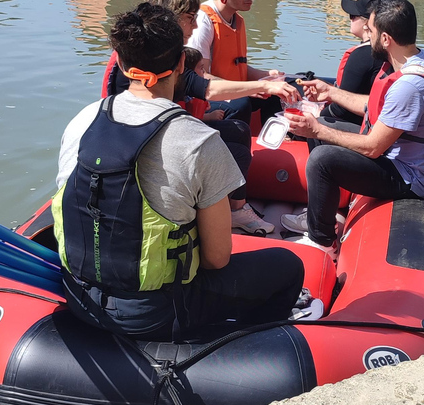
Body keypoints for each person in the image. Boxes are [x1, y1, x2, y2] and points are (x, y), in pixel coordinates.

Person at [53, 3, 304, 338]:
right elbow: (216, 259)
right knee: (288, 267)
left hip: (79, 296)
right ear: (183, 63)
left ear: (122, 63)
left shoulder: (82, 120)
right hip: (153, 313)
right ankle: (241, 343)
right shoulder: (199, 141)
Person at [280, 0, 424, 259]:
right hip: (397, 159)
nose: (368, 33)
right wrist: (330, 92)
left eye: (372, 30)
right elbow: (374, 105)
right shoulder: (415, 60)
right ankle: (326, 213)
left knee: (322, 159)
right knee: (326, 129)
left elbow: (374, 147)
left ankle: (323, 244)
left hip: (409, 178)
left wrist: (316, 130)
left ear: (385, 38)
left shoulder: (410, 86)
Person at [102, 0, 299, 234]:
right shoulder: (155, 55)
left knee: (239, 129)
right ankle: (218, 209)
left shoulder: (164, 53)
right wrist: (264, 88)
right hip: (144, 137)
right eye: (190, 19)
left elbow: (198, 86)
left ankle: (236, 209)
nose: (195, 27)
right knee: (235, 148)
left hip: (164, 124)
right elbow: (206, 87)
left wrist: (260, 84)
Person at [187, 0, 284, 124]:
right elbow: (201, 77)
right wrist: (249, 89)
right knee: (240, 104)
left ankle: (275, 138)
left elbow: (236, 65)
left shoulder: (236, 19)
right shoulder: (202, 21)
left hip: (233, 89)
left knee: (275, 92)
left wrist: (264, 75)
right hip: (208, 95)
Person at [320, 0, 384, 127]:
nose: (350, 19)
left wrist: (317, 113)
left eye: (352, 16)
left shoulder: (361, 56)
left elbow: (341, 110)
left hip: (359, 125)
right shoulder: (387, 51)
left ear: (367, 23)